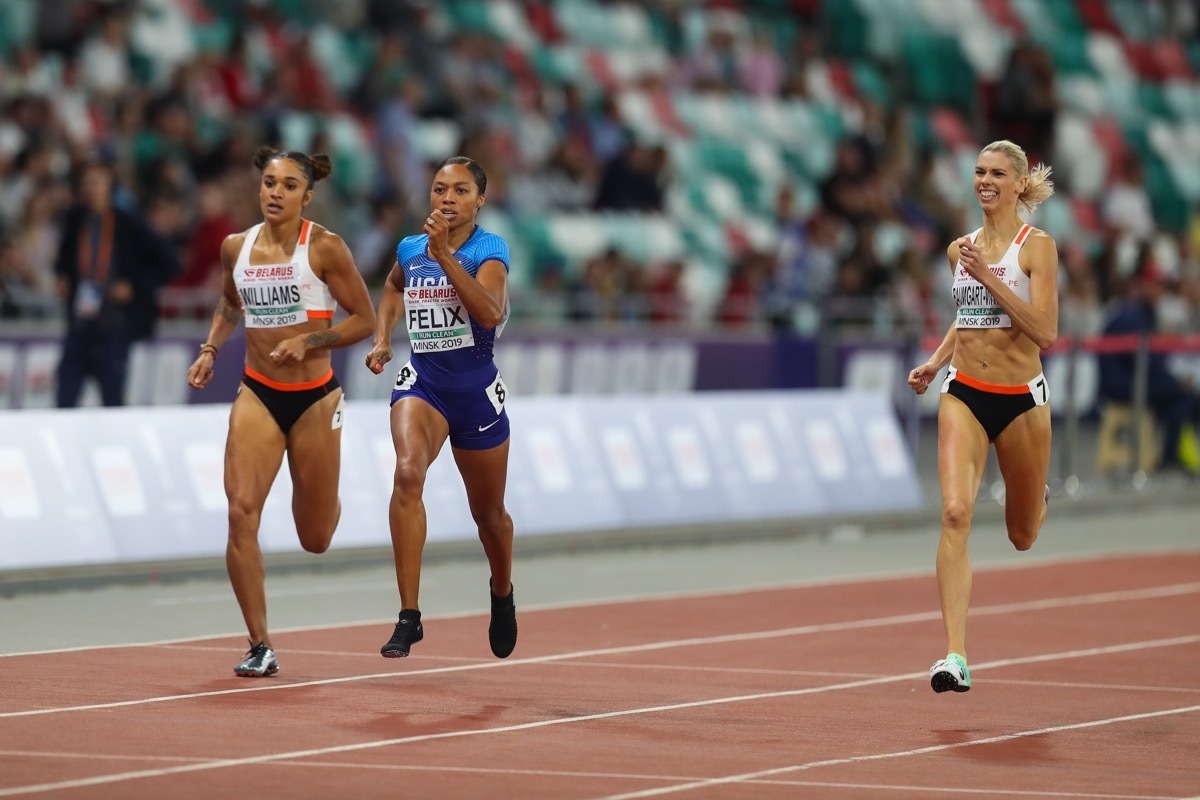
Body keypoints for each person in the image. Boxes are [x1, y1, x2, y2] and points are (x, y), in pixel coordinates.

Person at [186, 147, 376, 677]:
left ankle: (327, 488)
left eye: (289, 185)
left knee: (314, 538)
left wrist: (310, 339)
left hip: (315, 398)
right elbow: (230, 304)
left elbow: (364, 320)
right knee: (239, 511)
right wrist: (210, 348)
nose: (275, 192)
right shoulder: (235, 247)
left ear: (306, 196)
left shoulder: (326, 249)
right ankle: (259, 643)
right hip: (258, 392)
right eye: (269, 182)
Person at [906, 140, 1058, 693]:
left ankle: (1034, 497)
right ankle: (954, 656)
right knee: (953, 513)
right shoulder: (958, 249)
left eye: (997, 173)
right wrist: (935, 361)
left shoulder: (1036, 248)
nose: (985, 180)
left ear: (1020, 183)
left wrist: (994, 279)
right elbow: (967, 317)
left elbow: (1046, 332)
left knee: (1022, 536)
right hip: (964, 392)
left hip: (1021, 400)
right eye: (978, 171)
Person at [364, 156, 518, 660]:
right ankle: (409, 615)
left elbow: (490, 312)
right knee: (407, 475)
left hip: (474, 392)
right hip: (424, 384)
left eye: (459, 190)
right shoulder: (411, 248)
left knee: (489, 515)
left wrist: (445, 256)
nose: (446, 199)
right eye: (438, 189)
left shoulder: (489, 249)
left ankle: (501, 591)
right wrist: (384, 338)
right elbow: (391, 286)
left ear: (480, 200)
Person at [53, 157, 179, 406]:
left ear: (110, 186)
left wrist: (134, 287)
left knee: (112, 399)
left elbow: (169, 263)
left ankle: (112, 445)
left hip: (113, 324)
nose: (91, 188)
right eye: (87, 183)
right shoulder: (75, 220)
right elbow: (64, 259)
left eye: (98, 182)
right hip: (79, 323)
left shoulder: (128, 223)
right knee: (65, 395)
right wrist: (63, 277)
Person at [1098, 259, 1200, 473]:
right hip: (1121, 386)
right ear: (1141, 285)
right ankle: (1170, 456)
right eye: (1154, 284)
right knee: (1181, 395)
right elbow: (1145, 363)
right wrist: (1176, 381)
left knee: (1179, 395)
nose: (1158, 290)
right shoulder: (1130, 315)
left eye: (1161, 285)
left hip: (1135, 379)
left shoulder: (1144, 313)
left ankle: (1170, 454)